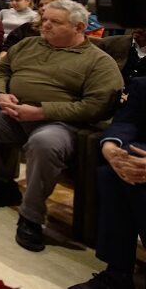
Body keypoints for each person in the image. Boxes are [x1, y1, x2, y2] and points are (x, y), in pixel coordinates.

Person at [0, 0, 123, 252]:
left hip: (60, 123)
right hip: (14, 114)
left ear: (79, 27)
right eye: (44, 19)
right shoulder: (29, 44)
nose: (45, 25)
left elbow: (97, 106)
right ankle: (1, 184)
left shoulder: (98, 61)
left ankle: (31, 216)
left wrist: (43, 111)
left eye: (54, 22)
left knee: (43, 143)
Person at [69, 77, 146, 289]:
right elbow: (126, 121)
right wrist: (110, 145)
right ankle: (117, 273)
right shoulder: (142, 85)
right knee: (113, 173)